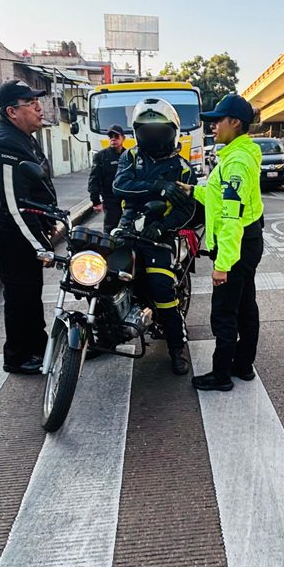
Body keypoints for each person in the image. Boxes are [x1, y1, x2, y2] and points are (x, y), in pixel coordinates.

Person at [178, 94, 263, 391]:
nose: (213, 126)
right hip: (248, 243)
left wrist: (222, 265)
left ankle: (222, 375)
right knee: (245, 306)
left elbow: (230, 219)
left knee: (225, 312)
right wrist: (192, 191)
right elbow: (217, 197)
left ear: (235, 122)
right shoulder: (238, 154)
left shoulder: (236, 163)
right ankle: (243, 365)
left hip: (236, 248)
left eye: (218, 120)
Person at [113, 99, 197, 375]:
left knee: (163, 289)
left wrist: (162, 227)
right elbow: (120, 186)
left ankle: (176, 348)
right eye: (146, 131)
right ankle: (99, 334)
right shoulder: (130, 157)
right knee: (102, 278)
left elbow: (189, 208)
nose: (153, 137)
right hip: (127, 230)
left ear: (172, 131)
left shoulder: (184, 168)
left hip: (160, 237)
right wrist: (159, 187)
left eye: (159, 131)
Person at [0, 79, 57, 375]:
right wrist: (40, 246)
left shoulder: (22, 137)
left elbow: (37, 184)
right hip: (8, 233)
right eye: (31, 103)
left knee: (30, 293)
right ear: (12, 111)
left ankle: (38, 347)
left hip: (19, 230)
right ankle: (17, 356)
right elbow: (14, 206)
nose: (39, 107)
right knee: (20, 295)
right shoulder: (5, 145)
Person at [88, 124, 127, 233]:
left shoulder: (129, 155)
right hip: (111, 201)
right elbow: (94, 179)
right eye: (111, 136)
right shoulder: (101, 156)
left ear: (123, 138)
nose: (113, 139)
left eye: (116, 136)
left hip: (129, 200)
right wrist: (95, 201)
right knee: (110, 231)